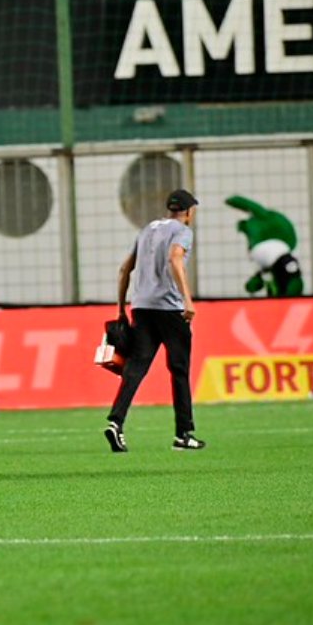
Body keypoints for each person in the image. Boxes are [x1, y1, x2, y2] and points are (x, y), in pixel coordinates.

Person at [105, 189, 205, 453]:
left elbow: (125, 269)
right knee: (179, 369)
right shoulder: (183, 231)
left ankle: (116, 422)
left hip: (141, 307)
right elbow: (175, 258)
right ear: (189, 211)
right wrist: (187, 299)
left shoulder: (147, 229)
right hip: (170, 310)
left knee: (135, 369)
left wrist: (120, 309)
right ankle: (183, 434)